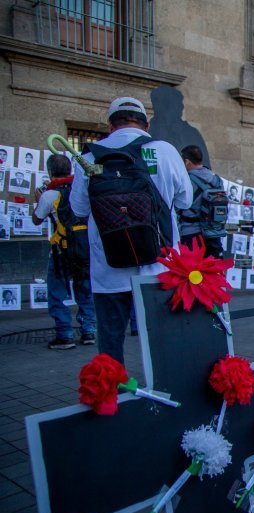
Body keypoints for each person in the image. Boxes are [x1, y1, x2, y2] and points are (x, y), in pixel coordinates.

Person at [71, 96, 192, 364]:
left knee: (111, 339)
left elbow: (78, 209)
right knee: (164, 338)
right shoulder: (165, 150)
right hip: (159, 266)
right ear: (146, 125)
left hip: (108, 267)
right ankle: (167, 393)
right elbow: (185, 200)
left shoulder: (88, 156)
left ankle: (111, 394)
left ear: (110, 125)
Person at [32, 154, 97, 349]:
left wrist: (38, 200)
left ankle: (65, 334)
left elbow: (37, 219)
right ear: (70, 171)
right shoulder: (82, 191)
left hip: (61, 252)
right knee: (85, 291)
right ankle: (89, 331)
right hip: (84, 251)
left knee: (57, 294)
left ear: (50, 172)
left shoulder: (50, 195)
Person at [178, 145, 226, 258]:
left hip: (191, 234)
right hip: (214, 233)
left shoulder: (186, 180)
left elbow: (179, 205)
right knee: (212, 272)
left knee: (191, 273)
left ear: (187, 162)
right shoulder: (216, 179)